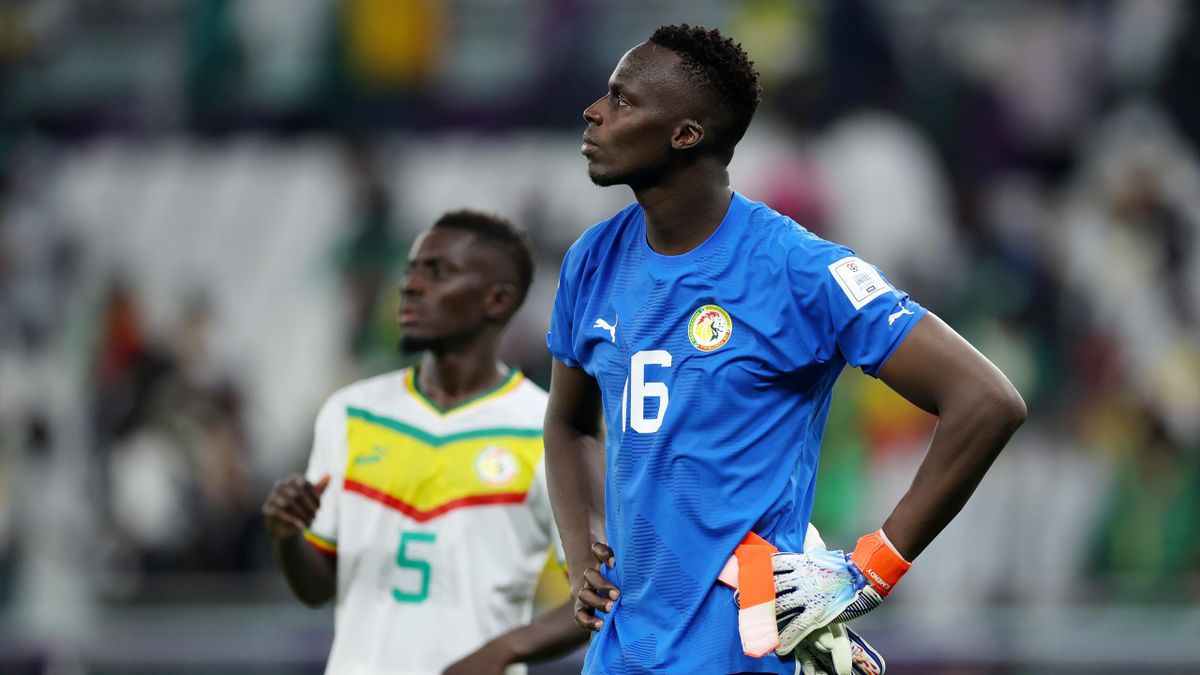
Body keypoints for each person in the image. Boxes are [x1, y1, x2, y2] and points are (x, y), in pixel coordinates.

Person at [543, 24, 1027, 674]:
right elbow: (570, 423)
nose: (594, 112)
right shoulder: (591, 262)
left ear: (685, 134)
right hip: (622, 652)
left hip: (744, 651)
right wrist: (584, 550)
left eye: (623, 100)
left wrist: (870, 569)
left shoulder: (796, 269)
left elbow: (987, 399)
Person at [264, 211, 585, 675]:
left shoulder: (544, 428)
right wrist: (287, 536)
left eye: (437, 271)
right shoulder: (350, 413)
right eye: (411, 269)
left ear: (497, 300)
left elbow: (595, 593)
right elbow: (316, 590)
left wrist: (502, 651)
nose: (409, 285)